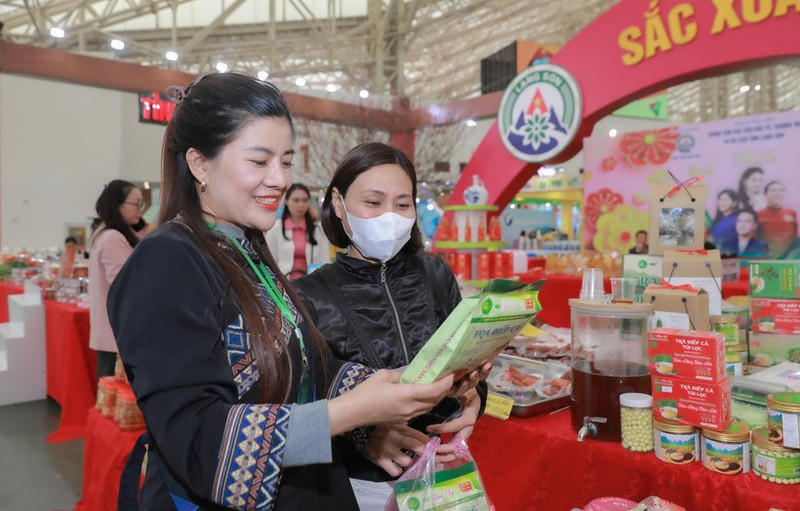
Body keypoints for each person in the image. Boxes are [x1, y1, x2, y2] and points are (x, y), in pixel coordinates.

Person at [106, 73, 454, 510]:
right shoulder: (166, 262)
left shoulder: (245, 247)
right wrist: (354, 411)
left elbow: (299, 368)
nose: (279, 179)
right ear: (198, 163)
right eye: (259, 161)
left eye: (286, 161)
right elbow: (197, 438)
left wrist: (379, 384)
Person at [294, 142, 490, 509]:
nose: (390, 216)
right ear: (338, 203)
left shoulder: (436, 274)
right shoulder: (308, 294)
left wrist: (475, 396)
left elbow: (464, 354)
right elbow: (302, 398)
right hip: (359, 482)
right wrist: (362, 435)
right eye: (373, 202)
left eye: (402, 204)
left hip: (446, 469)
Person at [88, 179, 144, 378]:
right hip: (115, 332)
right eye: (136, 203)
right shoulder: (112, 237)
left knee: (110, 394)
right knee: (116, 395)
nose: (140, 209)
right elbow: (125, 286)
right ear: (117, 204)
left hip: (109, 329)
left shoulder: (104, 232)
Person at [266, 183, 330, 278]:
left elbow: (325, 262)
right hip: (283, 284)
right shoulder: (275, 228)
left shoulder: (318, 230)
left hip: (310, 285)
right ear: (287, 201)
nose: (300, 205)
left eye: (304, 200)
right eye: (296, 200)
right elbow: (269, 262)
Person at [757, 181, 798, 257]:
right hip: (765, 256)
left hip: (787, 256)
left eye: (780, 190)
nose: (777, 193)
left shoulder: (792, 213)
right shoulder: (758, 215)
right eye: (773, 190)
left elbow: (794, 237)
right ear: (765, 194)